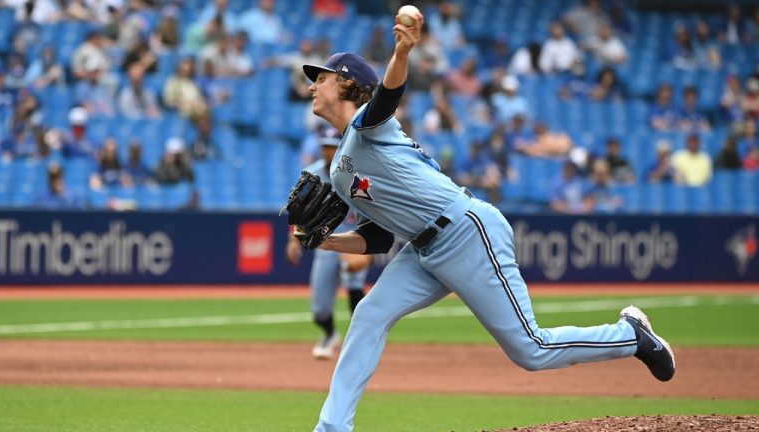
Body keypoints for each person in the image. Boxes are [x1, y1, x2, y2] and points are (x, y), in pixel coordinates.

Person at [300, 10, 675, 432]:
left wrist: (403, 49)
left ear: (347, 83)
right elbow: (379, 236)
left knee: (529, 350)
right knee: (369, 313)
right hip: (422, 250)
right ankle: (332, 427)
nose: (313, 85)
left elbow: (387, 95)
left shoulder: (367, 126)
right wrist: (328, 241)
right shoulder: (337, 172)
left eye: (323, 76)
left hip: (465, 231)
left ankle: (630, 336)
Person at [286, 127, 372, 359]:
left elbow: (372, 209)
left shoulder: (356, 174)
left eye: (332, 146)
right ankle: (329, 333)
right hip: (326, 243)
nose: (328, 151)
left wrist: (368, 245)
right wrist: (294, 241)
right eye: (324, 146)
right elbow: (298, 211)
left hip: (353, 239)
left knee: (354, 285)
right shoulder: (311, 175)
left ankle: (360, 345)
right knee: (320, 309)